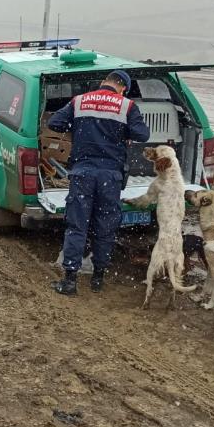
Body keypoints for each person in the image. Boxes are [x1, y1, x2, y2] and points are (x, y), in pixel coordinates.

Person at [47, 70, 150, 295]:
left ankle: (70, 281)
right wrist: (122, 131)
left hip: (83, 173)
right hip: (110, 176)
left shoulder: (79, 101)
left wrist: (76, 126)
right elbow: (143, 135)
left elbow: (55, 123)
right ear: (123, 87)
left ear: (104, 83)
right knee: (105, 227)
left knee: (77, 226)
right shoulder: (127, 106)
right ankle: (98, 278)